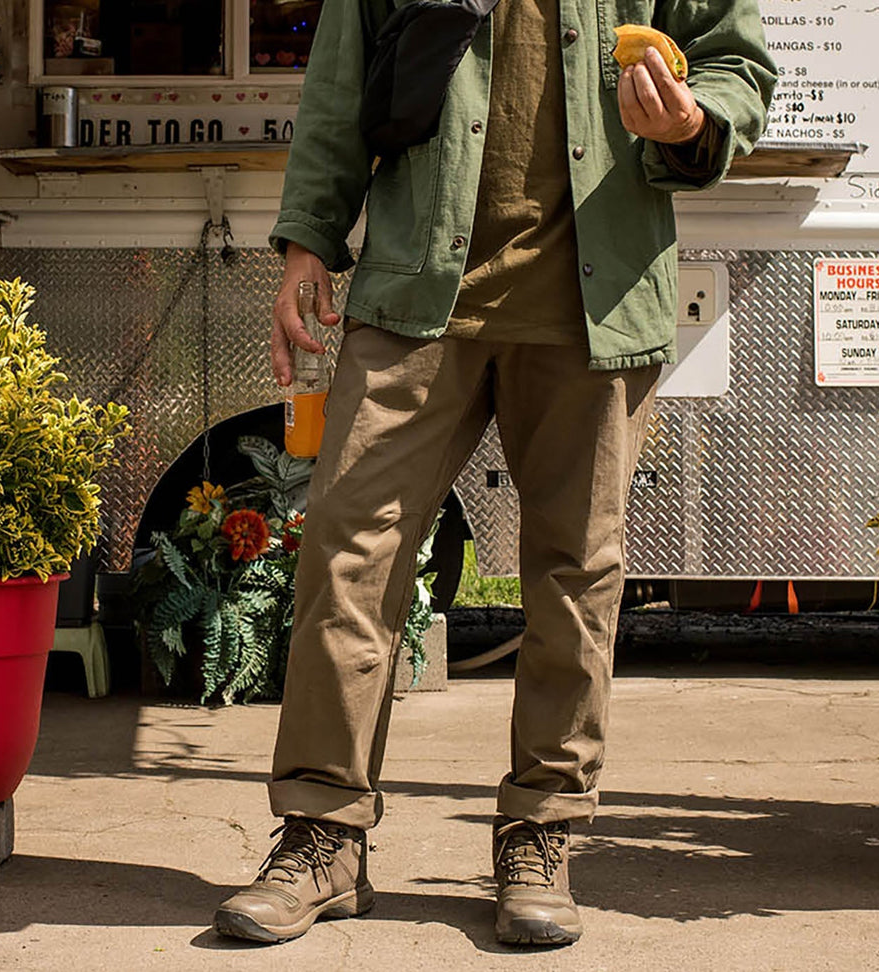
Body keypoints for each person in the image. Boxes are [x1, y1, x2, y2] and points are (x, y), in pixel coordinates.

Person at [213, 0, 774, 948]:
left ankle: (542, 835)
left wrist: (693, 121)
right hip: (412, 288)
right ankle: (321, 837)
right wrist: (310, 235)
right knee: (348, 556)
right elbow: (340, 79)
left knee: (575, 572)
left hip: (596, 300)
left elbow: (735, 63)